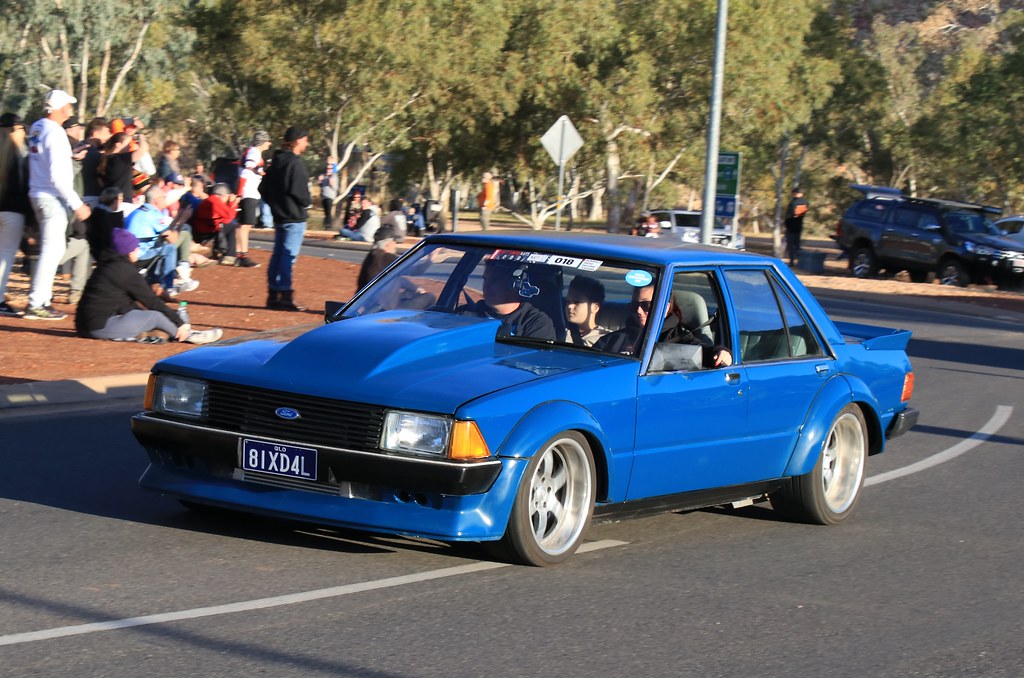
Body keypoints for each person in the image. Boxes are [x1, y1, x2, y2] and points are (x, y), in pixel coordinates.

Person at [75, 227, 221, 344]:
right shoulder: (124, 270)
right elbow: (151, 301)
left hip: (86, 324)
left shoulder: (108, 265)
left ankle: (169, 331)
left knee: (149, 315)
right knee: (155, 317)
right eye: (136, 247)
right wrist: (180, 322)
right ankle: (187, 335)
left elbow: (124, 303)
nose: (138, 249)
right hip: (97, 326)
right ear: (128, 251)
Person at [25, 89, 92, 320]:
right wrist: (77, 204)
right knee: (51, 252)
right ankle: (37, 303)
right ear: (60, 108)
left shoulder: (38, 127)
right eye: (68, 106)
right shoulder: (55, 132)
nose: (70, 109)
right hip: (52, 197)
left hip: (38, 193)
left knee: (54, 250)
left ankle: (41, 300)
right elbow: (57, 175)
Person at [595, 283, 732, 367]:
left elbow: (706, 355)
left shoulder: (680, 340)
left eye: (646, 305)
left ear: (665, 308)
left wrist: (722, 353)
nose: (638, 311)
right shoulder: (612, 339)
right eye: (634, 305)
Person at [260, 126, 311, 311]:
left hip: (279, 216)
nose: (307, 143)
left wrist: (275, 204)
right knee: (288, 257)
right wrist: (306, 202)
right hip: (294, 217)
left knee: (278, 255)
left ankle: (273, 295)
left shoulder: (276, 161)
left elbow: (263, 189)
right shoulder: (294, 163)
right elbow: (300, 192)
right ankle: (285, 295)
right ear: (298, 141)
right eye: (305, 139)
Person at [125, 184, 197, 297]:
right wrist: (182, 221)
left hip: (129, 253)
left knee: (163, 245)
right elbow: (172, 239)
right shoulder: (153, 213)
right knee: (170, 248)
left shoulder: (138, 211)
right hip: (140, 255)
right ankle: (168, 287)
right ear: (156, 200)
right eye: (163, 197)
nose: (165, 199)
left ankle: (162, 279)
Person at [458, 258, 556, 340]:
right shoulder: (466, 314)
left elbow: (533, 360)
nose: (486, 286)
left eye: (494, 280)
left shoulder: (536, 322)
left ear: (515, 284)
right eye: (485, 279)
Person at [0, 112, 31, 317]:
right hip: (13, 211)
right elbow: (24, 190)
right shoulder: (21, 155)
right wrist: (29, 220)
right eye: (21, 128)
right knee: (4, 256)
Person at [234, 130, 272, 267]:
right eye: (268, 140)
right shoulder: (254, 153)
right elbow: (245, 172)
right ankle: (242, 255)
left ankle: (239, 254)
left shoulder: (253, 153)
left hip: (250, 192)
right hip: (248, 192)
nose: (270, 143)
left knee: (243, 225)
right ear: (262, 141)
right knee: (246, 225)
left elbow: (252, 170)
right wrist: (239, 194)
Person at [192, 182, 240, 263]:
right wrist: (233, 203)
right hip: (204, 232)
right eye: (228, 197)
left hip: (205, 229)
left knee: (230, 224)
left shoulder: (211, 199)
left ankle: (225, 253)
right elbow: (229, 216)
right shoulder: (214, 200)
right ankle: (229, 256)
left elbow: (226, 217)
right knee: (232, 225)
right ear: (223, 195)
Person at [564, 275, 610, 346]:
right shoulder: (558, 331)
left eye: (577, 302)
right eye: (568, 301)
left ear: (595, 308)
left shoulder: (607, 338)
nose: (570, 306)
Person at [356, 224, 399, 289]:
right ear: (388, 244)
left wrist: (415, 288)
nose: (395, 244)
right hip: (377, 297)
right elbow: (409, 267)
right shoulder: (386, 257)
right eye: (394, 241)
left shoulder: (372, 255)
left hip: (366, 296)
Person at [785, 187, 809, 267]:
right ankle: (799, 262)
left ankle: (792, 262)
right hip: (799, 225)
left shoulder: (793, 202)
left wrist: (786, 224)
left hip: (791, 226)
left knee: (791, 245)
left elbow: (789, 214)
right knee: (797, 245)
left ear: (795, 193)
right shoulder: (805, 202)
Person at [317, 158, 339, 228]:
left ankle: (328, 226)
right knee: (326, 212)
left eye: (330, 168)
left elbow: (336, 188)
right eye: (327, 168)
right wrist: (320, 181)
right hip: (324, 196)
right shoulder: (324, 175)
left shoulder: (334, 176)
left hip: (330, 196)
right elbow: (321, 185)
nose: (328, 169)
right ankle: (325, 226)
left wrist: (331, 183)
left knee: (328, 212)